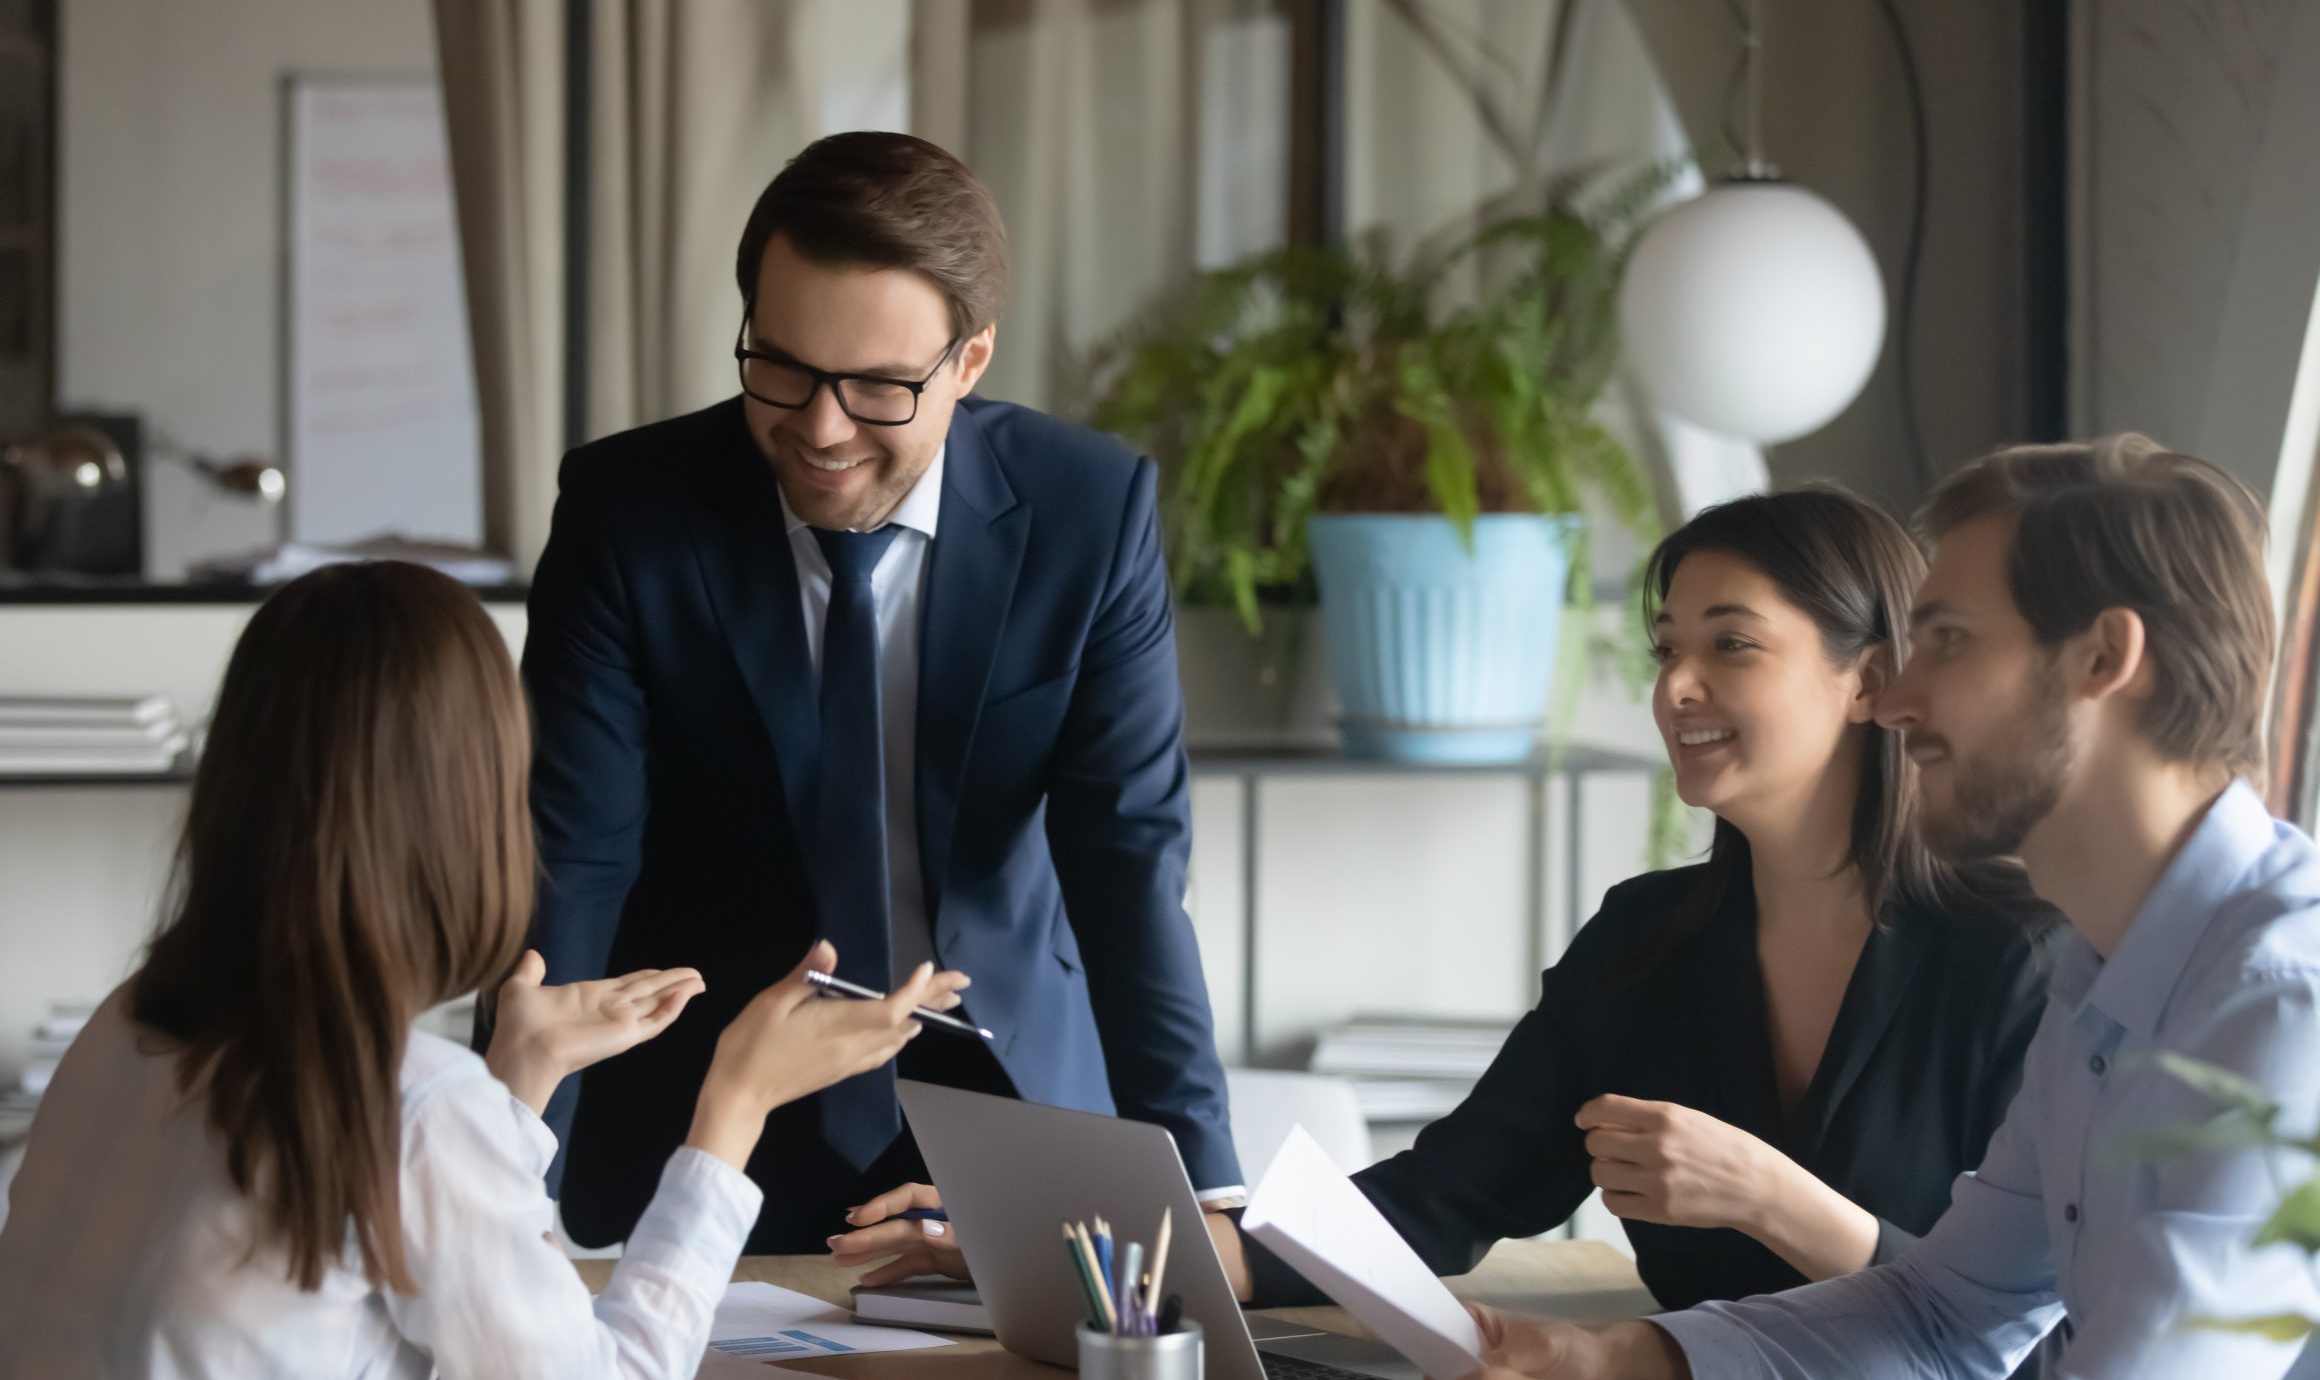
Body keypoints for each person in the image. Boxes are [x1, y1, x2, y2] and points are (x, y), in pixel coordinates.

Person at [0, 563, 963, 1380]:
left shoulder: (135, 1018)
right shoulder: (408, 1101)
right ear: (465, 811)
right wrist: (733, 1109)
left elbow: (364, 1246)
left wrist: (519, 1080)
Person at [1432, 436, 2320, 1380]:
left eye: (1945, 641)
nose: (1893, 699)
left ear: (2104, 659)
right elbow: (1941, 1313)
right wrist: (1621, 1368)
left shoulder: (2277, 1006)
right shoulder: (2104, 967)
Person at [840, 488, 2058, 1329]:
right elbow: (1438, 1204)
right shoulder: (1647, 944)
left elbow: (2035, 1337)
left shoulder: (2018, 965)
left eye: (1732, 646)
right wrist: (1070, 1242)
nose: (1676, 686)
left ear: (1867, 680)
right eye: (1664, 646)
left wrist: (1772, 1199)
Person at [523, 131, 1240, 1254]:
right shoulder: (631, 510)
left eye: (877, 387)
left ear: (969, 361)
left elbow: (1128, 861)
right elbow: (575, 856)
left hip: (1012, 1108)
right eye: (782, 366)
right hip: (704, 1108)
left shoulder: (1086, 515)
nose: (819, 428)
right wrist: (503, 1173)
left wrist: (1205, 1208)